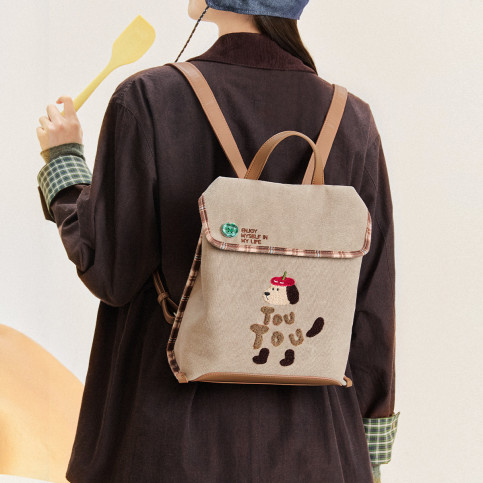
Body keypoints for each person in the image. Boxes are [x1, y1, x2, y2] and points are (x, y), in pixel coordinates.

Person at [35, 1, 400, 481]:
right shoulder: (352, 119)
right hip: (318, 448)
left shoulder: (149, 98)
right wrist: (369, 446)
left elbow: (109, 268)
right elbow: (372, 301)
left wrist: (63, 161)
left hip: (171, 443)